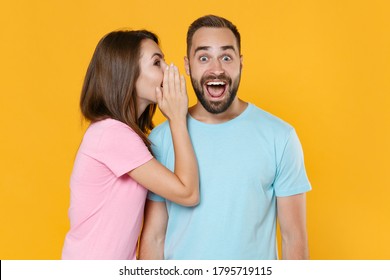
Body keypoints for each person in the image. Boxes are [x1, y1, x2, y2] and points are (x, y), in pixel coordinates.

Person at [139, 15, 311, 260]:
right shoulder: (162, 139)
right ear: (188, 66)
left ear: (240, 64)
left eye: (226, 57)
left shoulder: (280, 136)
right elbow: (154, 236)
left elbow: (294, 238)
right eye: (204, 57)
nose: (216, 68)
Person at [61, 30, 199, 260]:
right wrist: (177, 118)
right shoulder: (112, 134)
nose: (168, 69)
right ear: (127, 74)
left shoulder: (120, 134)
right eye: (157, 62)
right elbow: (187, 193)